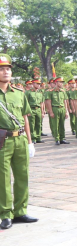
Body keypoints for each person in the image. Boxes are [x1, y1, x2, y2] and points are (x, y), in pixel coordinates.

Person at [0, 54, 37, 230]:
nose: (5, 71)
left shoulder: (20, 94)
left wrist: (30, 142)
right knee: (3, 179)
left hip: (20, 138)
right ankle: (6, 214)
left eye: (7, 68)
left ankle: (20, 211)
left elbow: (25, 118)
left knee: (23, 175)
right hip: (2, 140)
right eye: (1, 69)